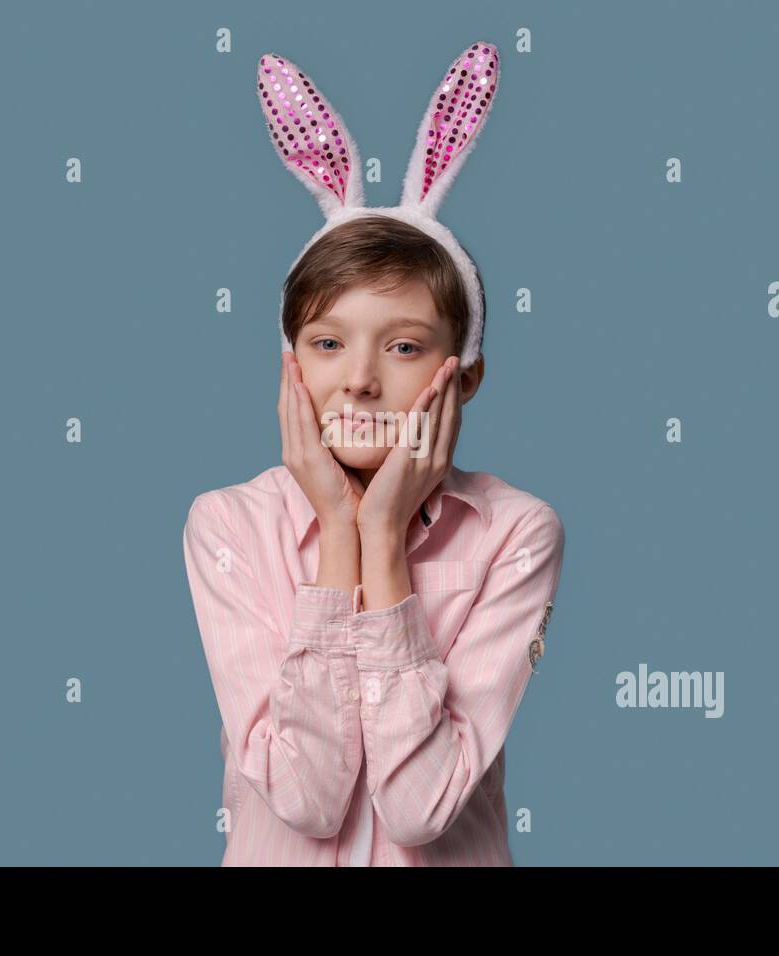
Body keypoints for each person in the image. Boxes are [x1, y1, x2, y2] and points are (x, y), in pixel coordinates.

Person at [182, 43, 565, 866]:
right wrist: (336, 527)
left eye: (401, 348)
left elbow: (422, 808)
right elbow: (309, 799)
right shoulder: (225, 526)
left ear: (462, 379)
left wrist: (382, 538)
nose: (357, 382)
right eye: (327, 343)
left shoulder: (517, 533)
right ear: (291, 367)